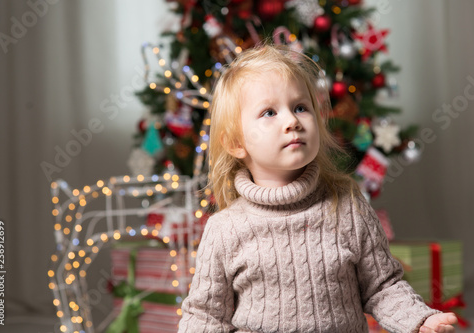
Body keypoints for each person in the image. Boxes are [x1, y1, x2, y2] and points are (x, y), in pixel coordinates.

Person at [178, 44, 457, 333]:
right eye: (269, 112)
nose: (292, 121)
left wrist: (420, 319)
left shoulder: (348, 206)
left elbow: (382, 286)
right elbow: (205, 317)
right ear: (236, 143)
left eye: (300, 107)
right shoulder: (225, 229)